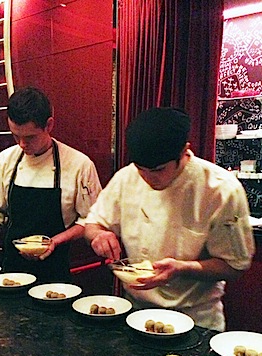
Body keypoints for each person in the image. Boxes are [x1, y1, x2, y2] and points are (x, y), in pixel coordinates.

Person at [85, 107, 255, 331]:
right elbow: (92, 224)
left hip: (196, 319)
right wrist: (99, 235)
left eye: (158, 170)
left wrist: (183, 268)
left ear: (184, 151)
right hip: (136, 313)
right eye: (141, 169)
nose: (147, 178)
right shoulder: (127, 177)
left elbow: (234, 266)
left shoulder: (221, 189)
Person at [0, 86, 102, 282]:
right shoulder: (4, 161)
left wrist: (54, 242)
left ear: (49, 125)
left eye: (30, 137)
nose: (22, 144)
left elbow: (90, 220)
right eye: (16, 136)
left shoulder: (79, 165)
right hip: (13, 270)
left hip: (56, 271)